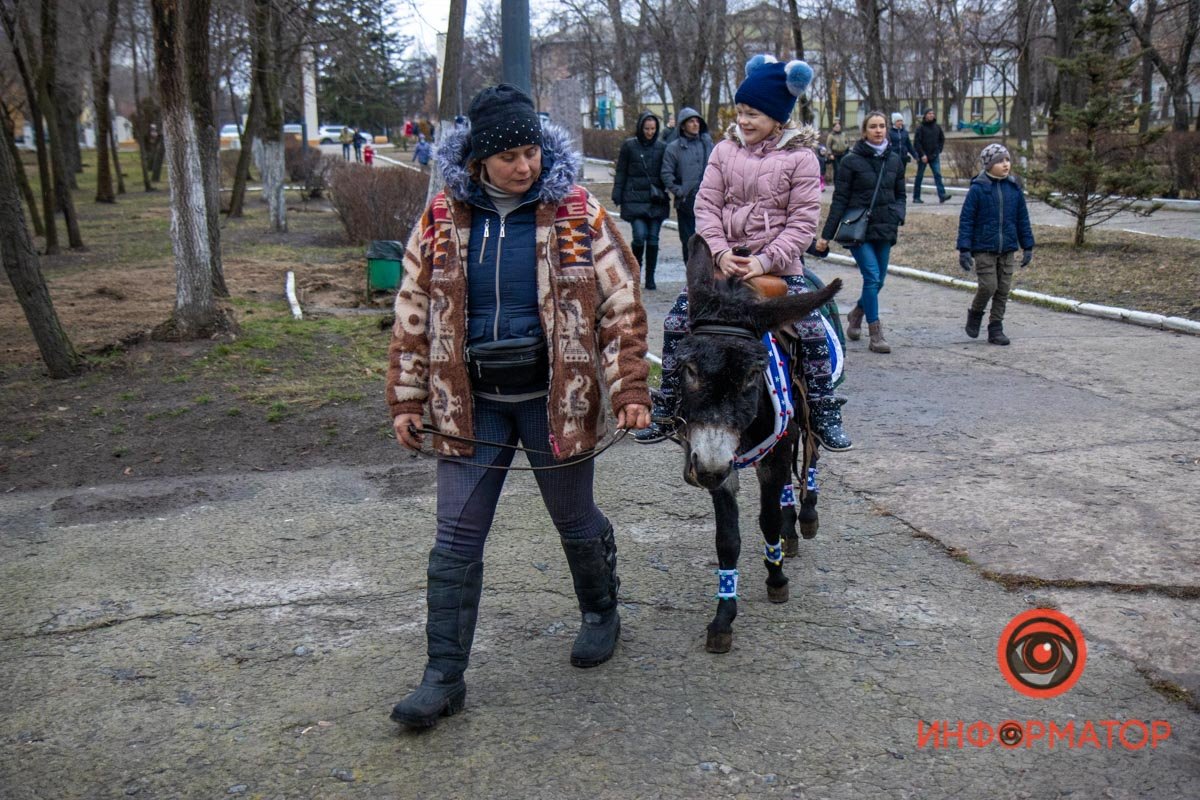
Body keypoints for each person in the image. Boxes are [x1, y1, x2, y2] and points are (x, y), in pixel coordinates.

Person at [386, 84, 651, 729]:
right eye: (510, 157)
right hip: (469, 406)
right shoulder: (442, 219)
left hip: (554, 402)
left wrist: (631, 390)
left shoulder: (577, 212)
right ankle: (443, 677)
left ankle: (600, 611)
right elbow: (412, 314)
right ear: (479, 160)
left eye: (532, 151)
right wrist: (407, 396)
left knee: (573, 515)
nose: (525, 166)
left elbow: (621, 308)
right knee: (455, 536)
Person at [638, 55, 853, 452]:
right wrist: (719, 253)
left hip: (778, 269)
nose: (744, 121)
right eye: (740, 112)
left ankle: (823, 407)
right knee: (675, 321)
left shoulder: (802, 158)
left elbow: (803, 224)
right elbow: (706, 207)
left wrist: (763, 260)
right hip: (724, 269)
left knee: (810, 331)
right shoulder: (723, 151)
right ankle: (667, 404)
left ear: (777, 116)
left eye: (753, 113)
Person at [815, 110, 906, 354]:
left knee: (879, 281)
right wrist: (826, 234)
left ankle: (856, 314)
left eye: (882, 126)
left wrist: (899, 214)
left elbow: (901, 194)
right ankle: (875, 333)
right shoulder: (851, 161)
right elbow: (840, 199)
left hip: (885, 227)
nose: (878, 130)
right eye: (873, 126)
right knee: (873, 276)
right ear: (864, 131)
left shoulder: (894, 159)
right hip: (858, 229)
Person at [956, 143, 1034, 346]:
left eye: (1007, 160)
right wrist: (964, 249)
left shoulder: (1013, 188)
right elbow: (967, 220)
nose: (1005, 164)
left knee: (1003, 290)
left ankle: (996, 328)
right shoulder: (978, 189)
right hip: (984, 248)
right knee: (989, 286)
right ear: (988, 165)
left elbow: (1022, 219)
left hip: (1007, 248)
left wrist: (1028, 246)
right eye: (1000, 161)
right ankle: (975, 313)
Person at [613, 111, 671, 291]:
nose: (650, 132)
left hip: (656, 200)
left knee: (653, 240)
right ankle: (636, 273)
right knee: (639, 237)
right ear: (640, 128)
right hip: (635, 200)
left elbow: (668, 171)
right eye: (647, 128)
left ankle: (650, 277)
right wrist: (618, 192)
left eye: (653, 128)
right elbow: (621, 171)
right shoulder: (629, 146)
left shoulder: (662, 147)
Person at [660, 106, 714, 266]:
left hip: (709, 201)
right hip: (686, 202)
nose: (695, 124)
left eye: (697, 121)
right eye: (691, 121)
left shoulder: (708, 144)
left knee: (709, 240)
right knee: (689, 241)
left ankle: (708, 276)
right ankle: (691, 275)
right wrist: (679, 191)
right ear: (683, 125)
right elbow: (666, 173)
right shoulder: (674, 147)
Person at [913, 109, 949, 204]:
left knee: (938, 175)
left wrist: (939, 150)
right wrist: (922, 154)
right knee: (919, 176)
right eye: (929, 113)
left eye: (933, 113)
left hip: (934, 155)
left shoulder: (937, 127)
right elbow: (917, 143)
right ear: (925, 115)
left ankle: (942, 195)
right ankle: (916, 197)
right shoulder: (920, 128)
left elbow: (942, 139)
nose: (931, 115)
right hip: (923, 156)